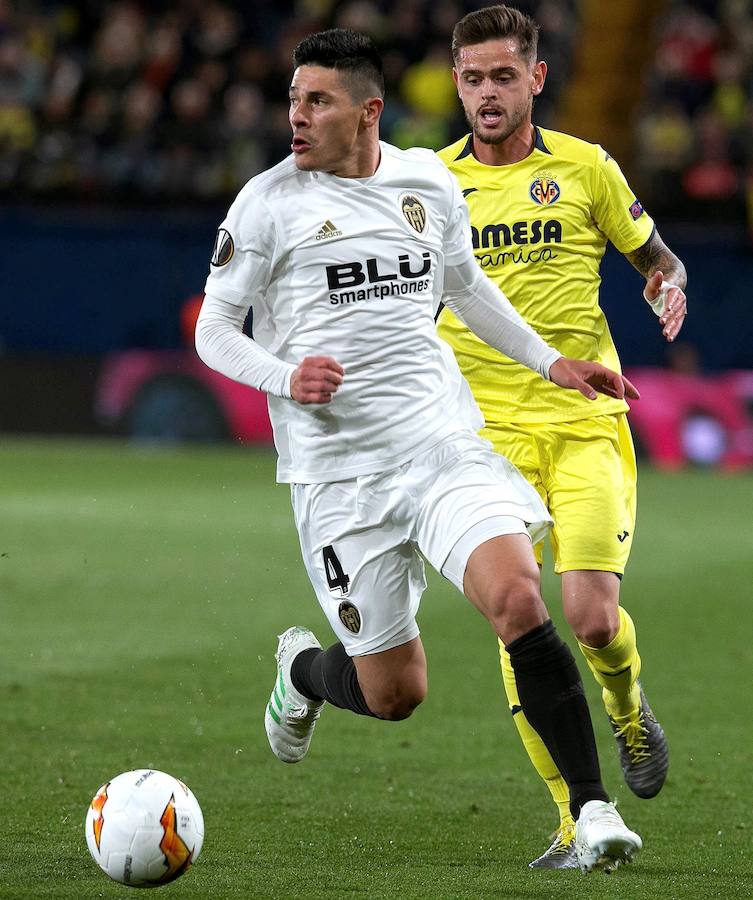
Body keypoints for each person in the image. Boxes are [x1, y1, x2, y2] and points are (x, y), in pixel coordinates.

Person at [195, 27, 644, 874]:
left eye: (317, 100)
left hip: (440, 444)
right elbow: (215, 330)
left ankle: (590, 812)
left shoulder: (424, 181)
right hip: (339, 480)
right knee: (393, 693)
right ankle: (301, 674)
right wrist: (285, 376)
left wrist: (552, 363)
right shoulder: (265, 204)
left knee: (517, 596)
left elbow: (466, 288)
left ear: (368, 112)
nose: (296, 115)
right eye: (293, 98)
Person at [437, 5, 687, 869]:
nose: (486, 94)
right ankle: (571, 816)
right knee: (520, 616)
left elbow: (656, 255)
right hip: (480, 441)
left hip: (583, 421)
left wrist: (665, 284)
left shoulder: (585, 168)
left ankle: (625, 711)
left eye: (502, 77)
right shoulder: (427, 185)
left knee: (588, 617)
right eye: (471, 79)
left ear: (535, 78)